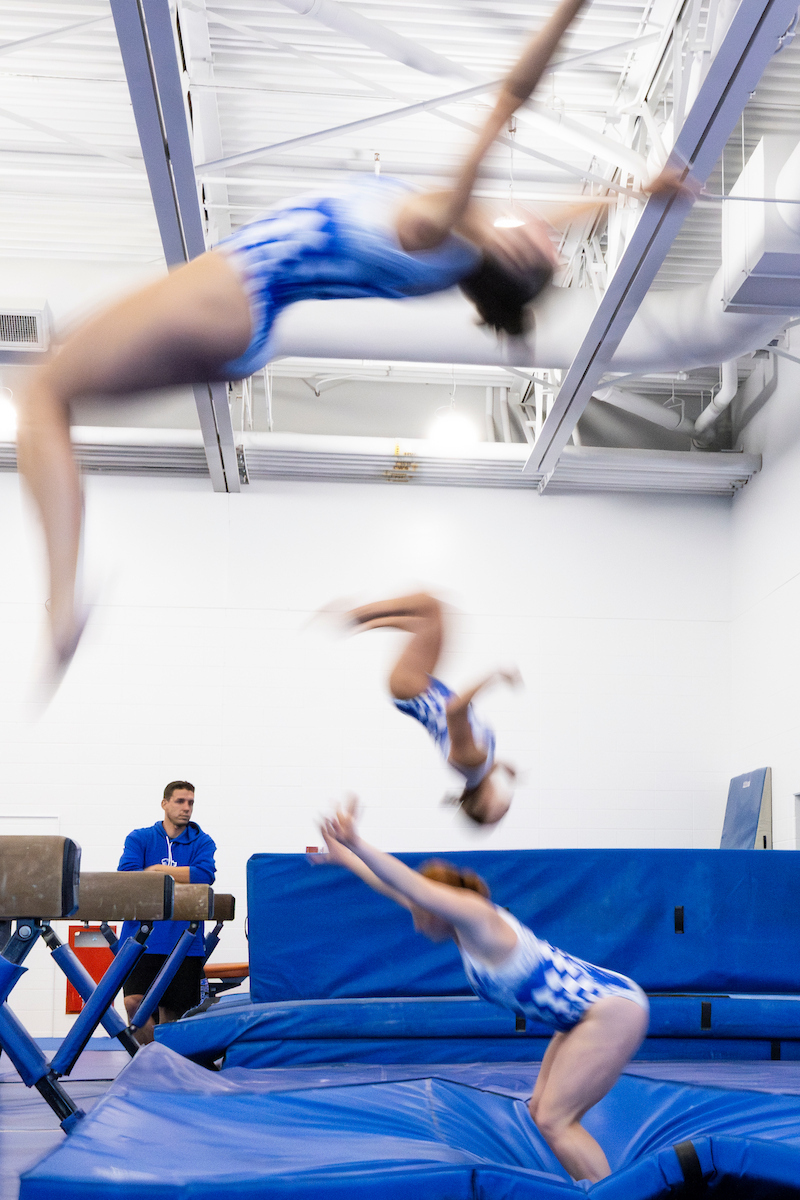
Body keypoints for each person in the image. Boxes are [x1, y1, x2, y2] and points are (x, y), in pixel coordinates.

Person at [14, 0, 593, 672]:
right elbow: (562, 214)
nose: (548, 230)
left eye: (545, 244)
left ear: (512, 256)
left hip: (233, 289)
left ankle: (63, 606)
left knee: (43, 392)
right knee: (50, 376)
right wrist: (638, 192)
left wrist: (570, 10)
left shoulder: (439, 228)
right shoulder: (458, 260)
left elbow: (510, 98)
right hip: (243, 321)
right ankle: (62, 600)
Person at [319, 799, 649, 1183]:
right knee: (540, 1112)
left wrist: (357, 842)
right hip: (580, 1018)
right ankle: (592, 1186)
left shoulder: (478, 918)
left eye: (420, 912)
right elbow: (394, 887)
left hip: (611, 1011)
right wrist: (346, 858)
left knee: (555, 1121)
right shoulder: (462, 931)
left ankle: (615, 1193)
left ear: (440, 906)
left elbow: (411, 884)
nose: (416, 923)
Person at [345, 592, 518, 824]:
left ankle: (353, 617)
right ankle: (360, 620)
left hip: (412, 689)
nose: (505, 811)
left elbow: (455, 711)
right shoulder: (477, 771)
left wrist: (495, 676)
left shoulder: (472, 762)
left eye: (498, 813)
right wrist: (503, 765)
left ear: (483, 802)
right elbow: (482, 763)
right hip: (421, 687)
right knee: (427, 618)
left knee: (428, 608)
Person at [118, 780, 216, 1044]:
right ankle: (154, 1057)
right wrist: (180, 876)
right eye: (180, 801)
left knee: (173, 1012)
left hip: (184, 942)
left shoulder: (202, 841)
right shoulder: (140, 838)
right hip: (142, 939)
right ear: (164, 804)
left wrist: (156, 870)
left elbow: (204, 875)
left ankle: (167, 1059)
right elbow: (128, 874)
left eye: (191, 802)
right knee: (134, 1003)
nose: (186, 808)